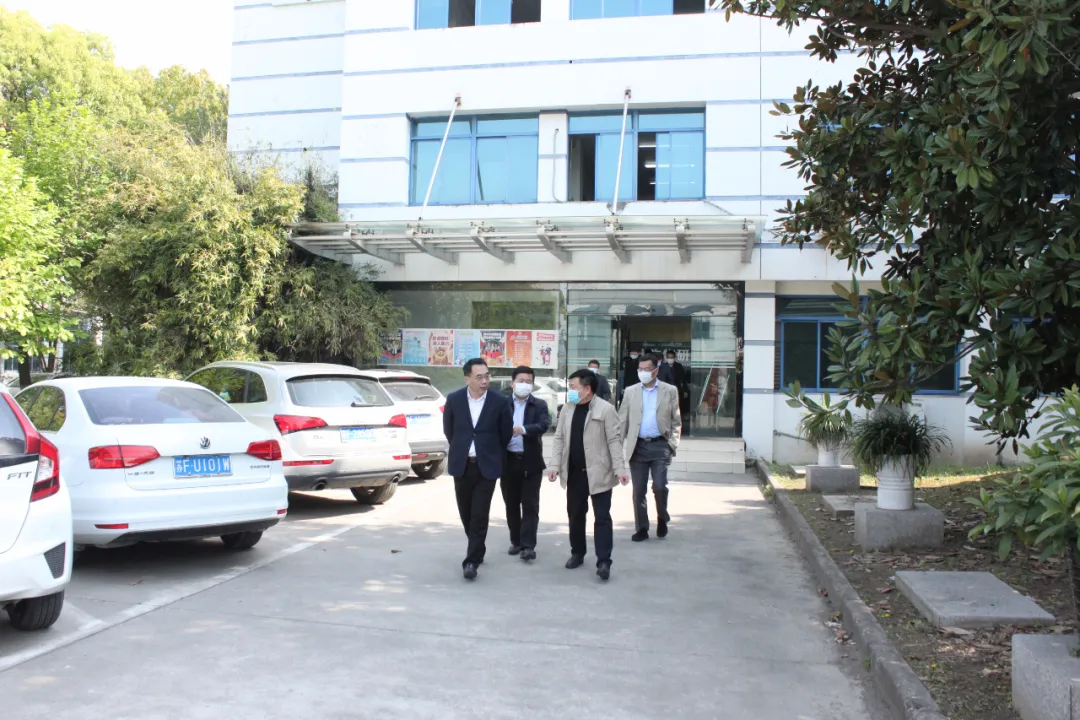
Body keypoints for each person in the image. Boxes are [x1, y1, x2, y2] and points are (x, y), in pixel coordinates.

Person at [548, 369, 629, 581]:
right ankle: (577, 552)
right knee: (575, 515)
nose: (570, 391)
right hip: (574, 473)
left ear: (587, 389)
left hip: (599, 472)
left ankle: (604, 561)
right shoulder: (568, 409)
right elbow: (559, 439)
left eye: (573, 387)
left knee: (602, 517)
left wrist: (620, 469)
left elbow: (614, 441)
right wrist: (554, 465)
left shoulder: (606, 409)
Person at [443, 358, 513, 580]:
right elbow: (449, 431)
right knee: (466, 513)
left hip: (487, 467)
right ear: (467, 379)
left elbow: (505, 433)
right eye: (479, 377)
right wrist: (463, 448)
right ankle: (478, 547)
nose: (484, 381)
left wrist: (490, 452)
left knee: (479, 514)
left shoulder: (499, 402)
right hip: (462, 465)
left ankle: (471, 561)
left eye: (487, 376)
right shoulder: (454, 400)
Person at [619, 352, 682, 542]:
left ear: (656, 370)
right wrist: (616, 447)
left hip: (660, 445)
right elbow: (622, 421)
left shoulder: (669, 390)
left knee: (660, 486)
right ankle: (642, 528)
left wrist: (672, 444)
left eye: (647, 369)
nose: (643, 372)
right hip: (637, 446)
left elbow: (676, 420)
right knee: (639, 490)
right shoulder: (630, 391)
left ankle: (662, 517)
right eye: (640, 369)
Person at [502, 365, 550, 562]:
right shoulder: (503, 404)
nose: (524, 384)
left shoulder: (539, 405)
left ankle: (529, 545)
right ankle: (516, 541)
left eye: (528, 381)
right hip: (508, 461)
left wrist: (523, 429)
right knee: (511, 503)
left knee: (530, 504)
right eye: (521, 381)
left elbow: (544, 425)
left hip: (531, 461)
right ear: (512, 383)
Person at [664, 350, 691, 430]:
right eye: (669, 357)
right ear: (666, 357)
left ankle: (677, 426)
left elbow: (683, 380)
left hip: (677, 391)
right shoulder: (663, 367)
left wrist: (685, 390)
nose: (670, 359)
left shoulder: (678, 366)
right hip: (666, 392)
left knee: (677, 409)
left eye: (671, 357)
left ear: (674, 358)